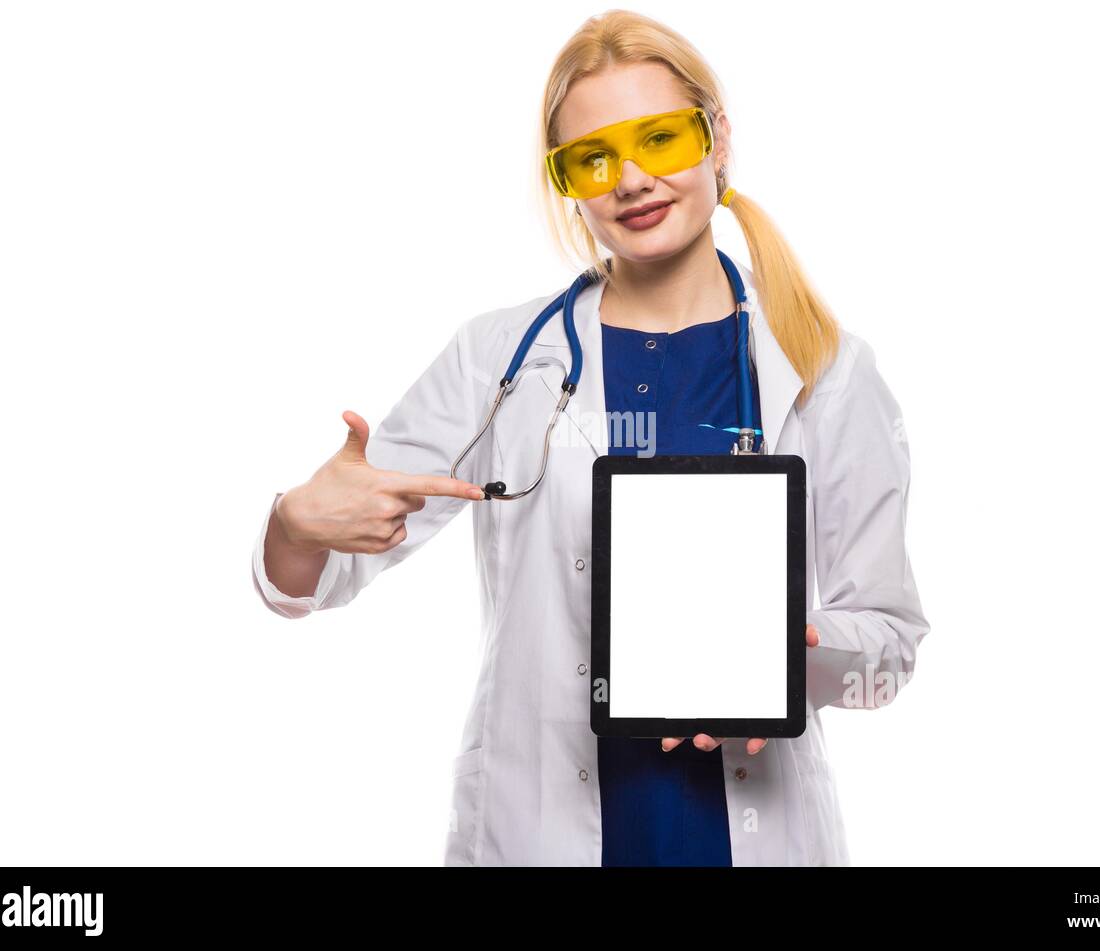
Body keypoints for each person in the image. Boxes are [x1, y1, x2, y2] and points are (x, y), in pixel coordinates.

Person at [252, 9, 929, 866]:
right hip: (540, 831)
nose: (632, 179)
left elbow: (889, 644)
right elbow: (306, 583)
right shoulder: (498, 360)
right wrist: (295, 528)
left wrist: (791, 663)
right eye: (594, 158)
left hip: (748, 834)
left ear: (717, 139)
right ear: (566, 181)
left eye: (660, 138)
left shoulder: (825, 368)